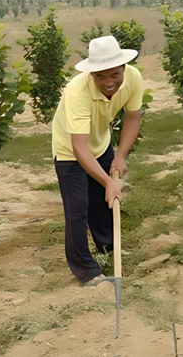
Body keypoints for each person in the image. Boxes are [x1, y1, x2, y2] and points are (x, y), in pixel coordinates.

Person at [51, 35, 143, 284]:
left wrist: (121, 155)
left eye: (114, 74)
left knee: (104, 203)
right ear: (91, 74)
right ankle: (86, 271)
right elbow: (79, 146)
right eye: (100, 76)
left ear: (124, 68)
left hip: (101, 144)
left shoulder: (134, 78)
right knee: (78, 209)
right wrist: (108, 180)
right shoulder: (77, 92)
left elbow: (133, 118)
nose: (108, 82)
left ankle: (108, 248)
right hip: (70, 151)